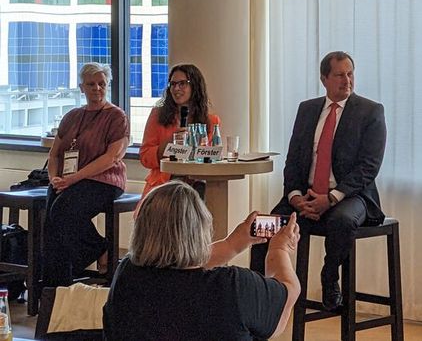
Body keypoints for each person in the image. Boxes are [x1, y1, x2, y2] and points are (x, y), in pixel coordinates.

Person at [250, 51, 387, 311]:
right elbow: (293, 161)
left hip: (351, 196)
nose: (346, 80)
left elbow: (369, 167)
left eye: (350, 74)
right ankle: (259, 296)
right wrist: (295, 197)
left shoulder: (370, 111)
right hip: (306, 196)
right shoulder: (308, 109)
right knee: (261, 226)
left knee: (341, 221)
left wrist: (332, 198)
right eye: (339, 75)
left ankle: (329, 276)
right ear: (324, 78)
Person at [104, 181, 301, 340]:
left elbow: (177, 263)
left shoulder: (126, 274)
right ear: (201, 229)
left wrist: (231, 244)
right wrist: (279, 248)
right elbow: (288, 293)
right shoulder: (232, 286)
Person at [43, 62, 129, 286]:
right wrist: (54, 178)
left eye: (102, 84)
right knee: (50, 221)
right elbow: (55, 155)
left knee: (63, 210)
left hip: (104, 180)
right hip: (69, 180)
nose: (97, 88)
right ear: (82, 88)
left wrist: (74, 178)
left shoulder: (117, 117)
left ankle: (101, 249)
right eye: (91, 84)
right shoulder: (72, 116)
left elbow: (111, 157)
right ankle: (56, 287)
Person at [139, 63, 221, 201]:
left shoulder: (211, 121)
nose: (176, 88)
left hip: (197, 185)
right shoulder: (157, 115)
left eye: (182, 83)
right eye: (172, 84)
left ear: (194, 86)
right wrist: (168, 144)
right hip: (164, 185)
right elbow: (145, 157)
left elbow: (210, 158)